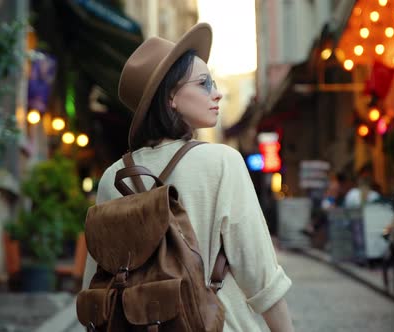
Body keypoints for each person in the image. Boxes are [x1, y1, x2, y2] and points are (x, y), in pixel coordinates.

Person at [81, 23, 294, 332]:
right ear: (171, 98)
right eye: (204, 83)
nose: (217, 93)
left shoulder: (114, 177)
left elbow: (96, 284)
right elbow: (260, 274)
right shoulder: (222, 162)